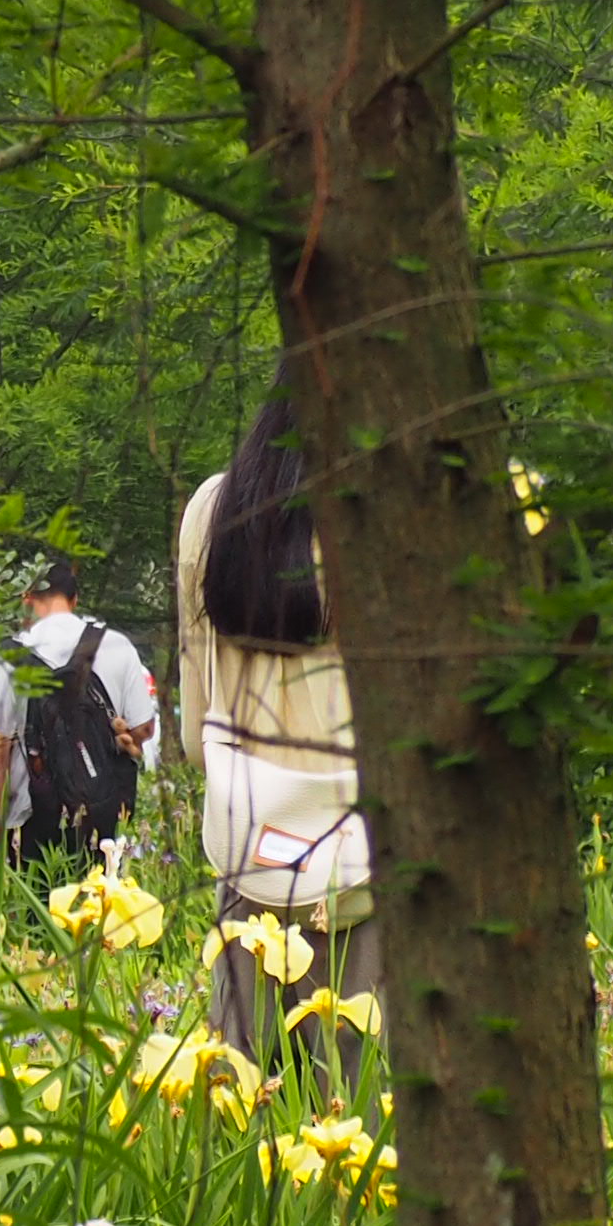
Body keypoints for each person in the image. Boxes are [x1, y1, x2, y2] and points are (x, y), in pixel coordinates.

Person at [174, 398, 384, 1066]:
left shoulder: (214, 509)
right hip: (376, 870)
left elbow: (193, 737)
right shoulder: (393, 519)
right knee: (362, 1124)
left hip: (249, 863)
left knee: (247, 1108)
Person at [0, 553, 159, 861]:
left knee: (36, 905)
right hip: (100, 819)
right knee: (99, 903)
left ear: (28, 599)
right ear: (75, 599)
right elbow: (143, 728)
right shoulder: (116, 645)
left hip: (31, 821)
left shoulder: (8, 657)